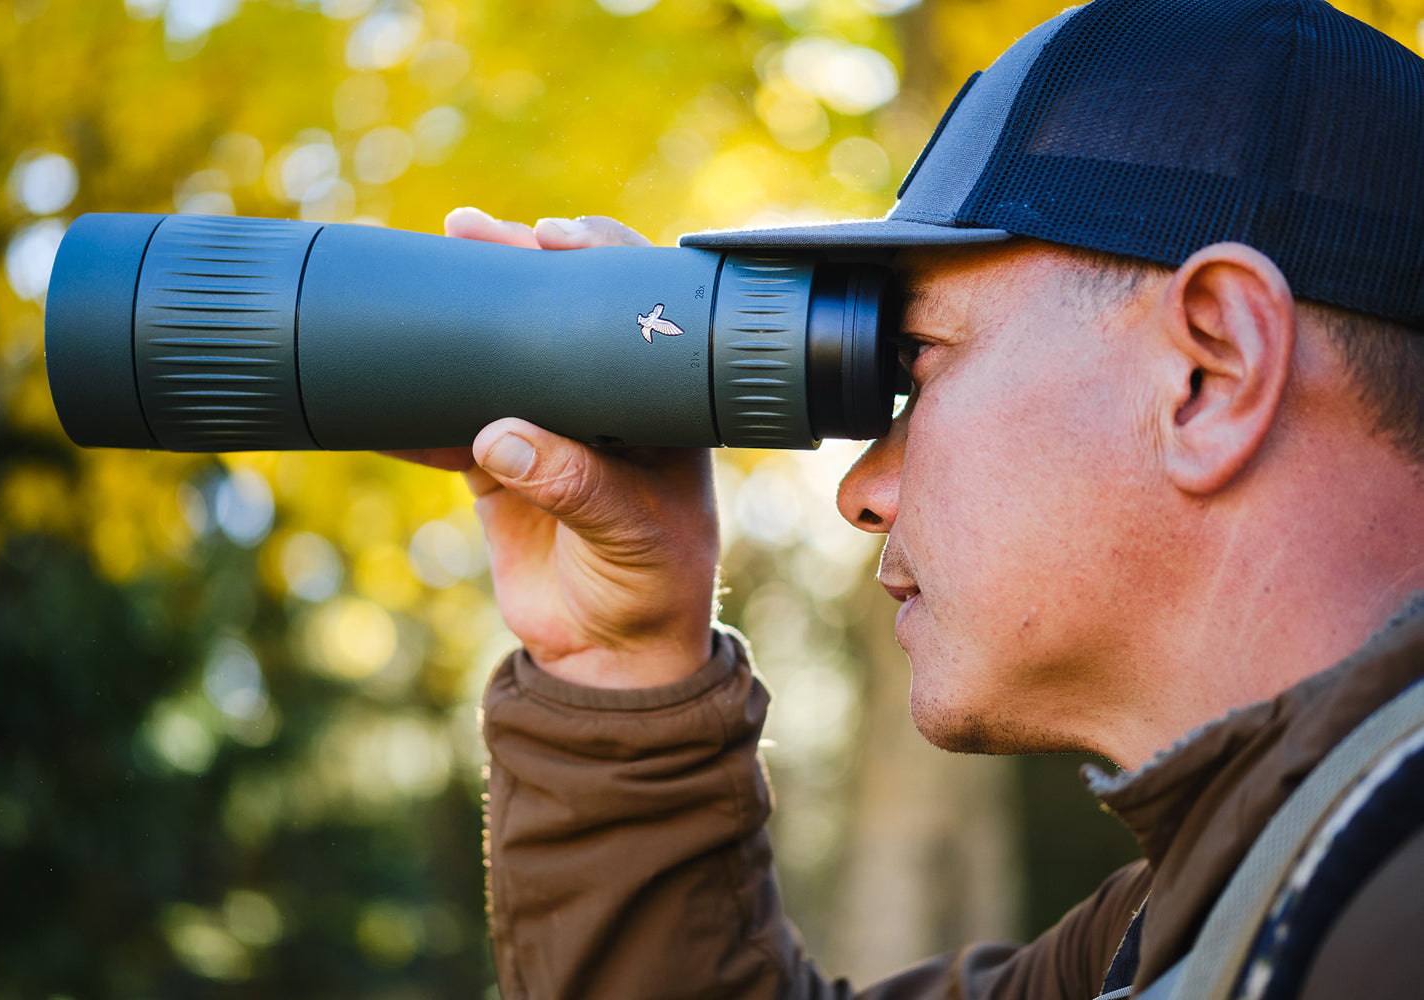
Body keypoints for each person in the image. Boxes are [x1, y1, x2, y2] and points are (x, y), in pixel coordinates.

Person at [397, 0, 1424, 996]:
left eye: (919, 361)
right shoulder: (1200, 918)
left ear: (1212, 372)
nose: (861, 489)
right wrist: (625, 656)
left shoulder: (1369, 917)